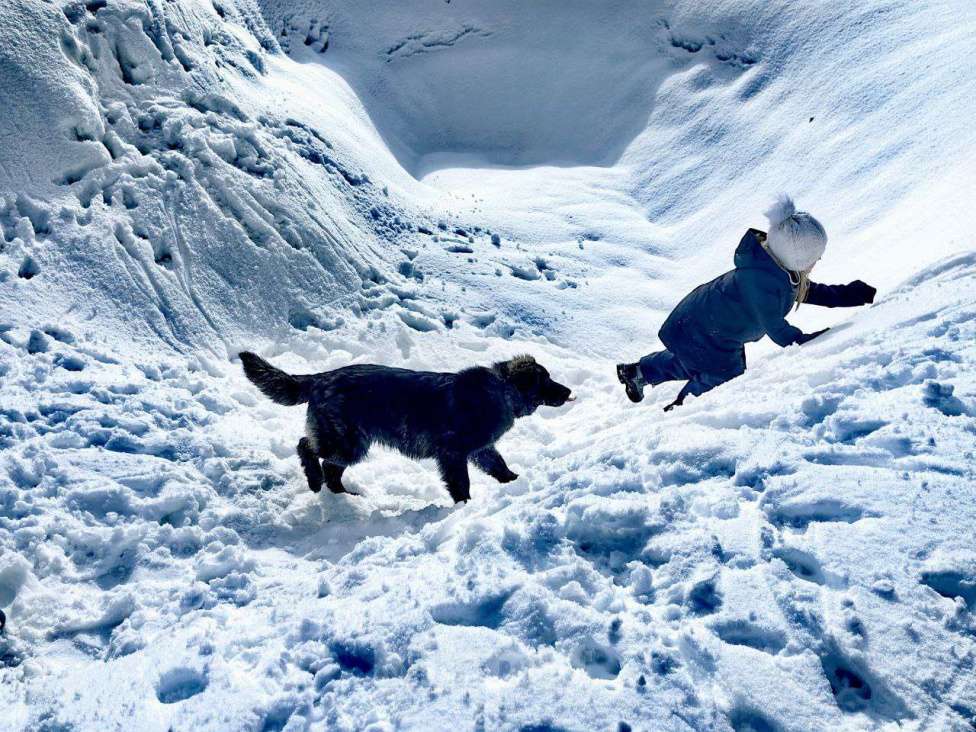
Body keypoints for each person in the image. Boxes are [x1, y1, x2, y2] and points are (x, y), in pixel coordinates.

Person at [616, 196, 876, 410]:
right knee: (723, 376)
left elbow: (807, 292)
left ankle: (638, 372)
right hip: (704, 328)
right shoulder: (761, 282)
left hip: (704, 326)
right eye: (814, 257)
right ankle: (682, 413)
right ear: (797, 256)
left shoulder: (775, 270)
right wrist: (807, 342)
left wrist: (848, 295)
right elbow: (776, 327)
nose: (817, 262)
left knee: (691, 361)